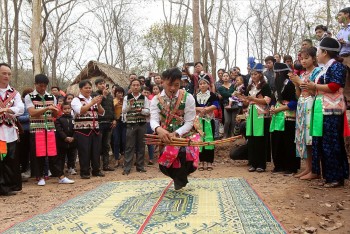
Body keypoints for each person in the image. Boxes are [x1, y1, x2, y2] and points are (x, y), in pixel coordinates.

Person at [308, 37, 349, 187]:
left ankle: (336, 177)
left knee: (331, 142)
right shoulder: (324, 68)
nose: (317, 54)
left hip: (332, 109)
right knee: (322, 141)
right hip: (322, 107)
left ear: (325, 52)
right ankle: (328, 175)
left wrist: (315, 86)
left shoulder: (337, 66)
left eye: (318, 51)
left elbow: (334, 85)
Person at [150, 67, 199, 190]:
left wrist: (177, 133)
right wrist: (158, 129)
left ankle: (180, 180)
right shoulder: (156, 100)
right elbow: (153, 119)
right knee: (164, 163)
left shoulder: (188, 98)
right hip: (165, 136)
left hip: (185, 135)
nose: (172, 88)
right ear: (162, 82)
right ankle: (180, 180)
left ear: (181, 83)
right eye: (169, 84)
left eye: (176, 85)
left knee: (184, 155)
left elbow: (189, 122)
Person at [25, 74, 74, 186]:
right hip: (37, 129)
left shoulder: (52, 97)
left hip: (50, 128)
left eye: (44, 86)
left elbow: (56, 114)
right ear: (35, 84)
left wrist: (55, 110)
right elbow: (32, 113)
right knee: (39, 154)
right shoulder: (29, 97)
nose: (42, 88)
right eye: (40, 86)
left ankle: (60, 176)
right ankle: (40, 177)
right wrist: (47, 108)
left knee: (53, 153)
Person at [289, 47, 321, 180]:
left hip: (312, 105)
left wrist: (299, 82)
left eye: (306, 58)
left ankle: (315, 169)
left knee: (311, 138)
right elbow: (298, 94)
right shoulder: (302, 74)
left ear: (314, 58)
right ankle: (308, 168)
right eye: (301, 58)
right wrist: (296, 84)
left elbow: (315, 92)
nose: (303, 61)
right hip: (302, 105)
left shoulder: (318, 72)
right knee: (304, 138)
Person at [269, 63, 300, 175]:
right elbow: (273, 99)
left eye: (276, 73)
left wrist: (280, 108)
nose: (275, 75)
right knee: (277, 141)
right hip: (277, 116)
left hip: (288, 115)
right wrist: (273, 106)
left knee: (288, 142)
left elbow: (295, 101)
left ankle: (291, 167)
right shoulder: (276, 85)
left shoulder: (290, 84)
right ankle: (279, 166)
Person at [71, 80, 105, 179]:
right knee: (84, 151)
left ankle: (96, 170)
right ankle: (85, 172)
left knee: (96, 151)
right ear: (80, 89)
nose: (88, 89)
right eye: (86, 88)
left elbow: (102, 113)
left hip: (95, 129)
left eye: (90, 87)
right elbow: (80, 110)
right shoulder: (76, 100)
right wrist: (92, 102)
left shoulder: (92, 99)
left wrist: (98, 104)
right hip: (82, 130)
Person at [242, 63, 272, 173]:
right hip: (251, 115)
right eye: (252, 74)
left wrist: (252, 99)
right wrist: (242, 99)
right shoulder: (250, 87)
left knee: (261, 140)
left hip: (261, 115)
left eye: (255, 74)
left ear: (260, 74)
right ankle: (253, 163)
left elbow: (266, 100)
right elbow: (247, 101)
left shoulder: (265, 86)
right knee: (252, 139)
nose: (253, 76)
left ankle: (261, 164)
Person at [0, 63, 24, 196]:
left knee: (12, 159)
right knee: (1, 160)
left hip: (10, 131)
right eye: (4, 73)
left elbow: (21, 108)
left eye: (9, 74)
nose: (7, 76)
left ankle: (13, 186)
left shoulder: (14, 93)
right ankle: (2, 187)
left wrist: (8, 109)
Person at [122, 79, 150, 175]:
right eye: (134, 85)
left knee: (141, 146)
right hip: (131, 124)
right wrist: (129, 105)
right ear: (131, 86)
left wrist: (141, 110)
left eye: (137, 85)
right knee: (129, 146)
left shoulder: (144, 98)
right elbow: (124, 111)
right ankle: (127, 168)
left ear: (140, 86)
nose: (136, 86)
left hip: (142, 124)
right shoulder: (126, 98)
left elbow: (148, 111)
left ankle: (140, 166)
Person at [195, 75, 219, 171]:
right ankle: (201, 161)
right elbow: (192, 106)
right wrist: (198, 108)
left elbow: (216, 105)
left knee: (209, 139)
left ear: (208, 85)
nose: (202, 85)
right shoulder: (196, 96)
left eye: (204, 83)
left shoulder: (212, 95)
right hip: (199, 121)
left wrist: (206, 109)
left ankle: (209, 161)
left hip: (209, 120)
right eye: (200, 84)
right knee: (200, 140)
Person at [92, 79, 116, 171]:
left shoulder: (110, 96)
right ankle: (96, 166)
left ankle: (106, 165)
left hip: (108, 123)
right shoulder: (94, 95)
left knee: (106, 145)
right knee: (98, 146)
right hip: (99, 123)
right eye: (100, 84)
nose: (102, 85)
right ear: (96, 85)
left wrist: (114, 119)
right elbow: (95, 105)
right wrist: (103, 96)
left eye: (103, 83)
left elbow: (112, 108)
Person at [55, 102, 77, 175]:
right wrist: (65, 137)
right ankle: (60, 170)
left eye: (68, 108)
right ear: (61, 110)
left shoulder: (74, 119)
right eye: (65, 109)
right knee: (61, 156)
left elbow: (76, 129)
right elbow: (59, 130)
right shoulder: (59, 119)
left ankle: (71, 168)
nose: (67, 110)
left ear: (71, 109)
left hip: (72, 141)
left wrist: (73, 137)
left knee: (72, 155)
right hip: (62, 141)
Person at [16, 88, 34, 181]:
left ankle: (31, 170)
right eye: (28, 94)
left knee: (32, 151)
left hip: (32, 131)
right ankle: (23, 169)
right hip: (23, 132)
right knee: (23, 152)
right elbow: (18, 118)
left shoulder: (33, 104)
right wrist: (30, 116)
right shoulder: (21, 106)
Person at [217, 72, 236, 138]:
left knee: (233, 121)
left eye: (227, 76)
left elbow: (235, 94)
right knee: (227, 121)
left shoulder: (233, 86)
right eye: (224, 76)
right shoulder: (220, 88)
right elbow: (224, 95)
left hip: (234, 105)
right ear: (222, 78)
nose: (225, 77)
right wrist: (231, 94)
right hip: (226, 105)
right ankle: (225, 135)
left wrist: (231, 94)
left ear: (229, 77)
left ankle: (232, 134)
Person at [112, 86, 126, 168]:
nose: (119, 94)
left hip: (124, 122)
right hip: (116, 122)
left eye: (121, 92)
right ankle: (116, 159)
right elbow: (111, 109)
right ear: (115, 93)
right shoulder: (113, 101)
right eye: (118, 92)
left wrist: (123, 102)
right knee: (116, 141)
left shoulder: (125, 100)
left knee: (124, 141)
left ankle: (125, 160)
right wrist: (117, 103)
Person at [142, 86, 155, 165]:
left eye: (147, 92)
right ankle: (141, 159)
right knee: (141, 143)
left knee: (150, 142)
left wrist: (143, 112)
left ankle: (151, 159)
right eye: (144, 92)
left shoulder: (152, 102)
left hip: (150, 123)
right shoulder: (139, 102)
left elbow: (152, 113)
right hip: (141, 123)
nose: (146, 94)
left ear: (150, 93)